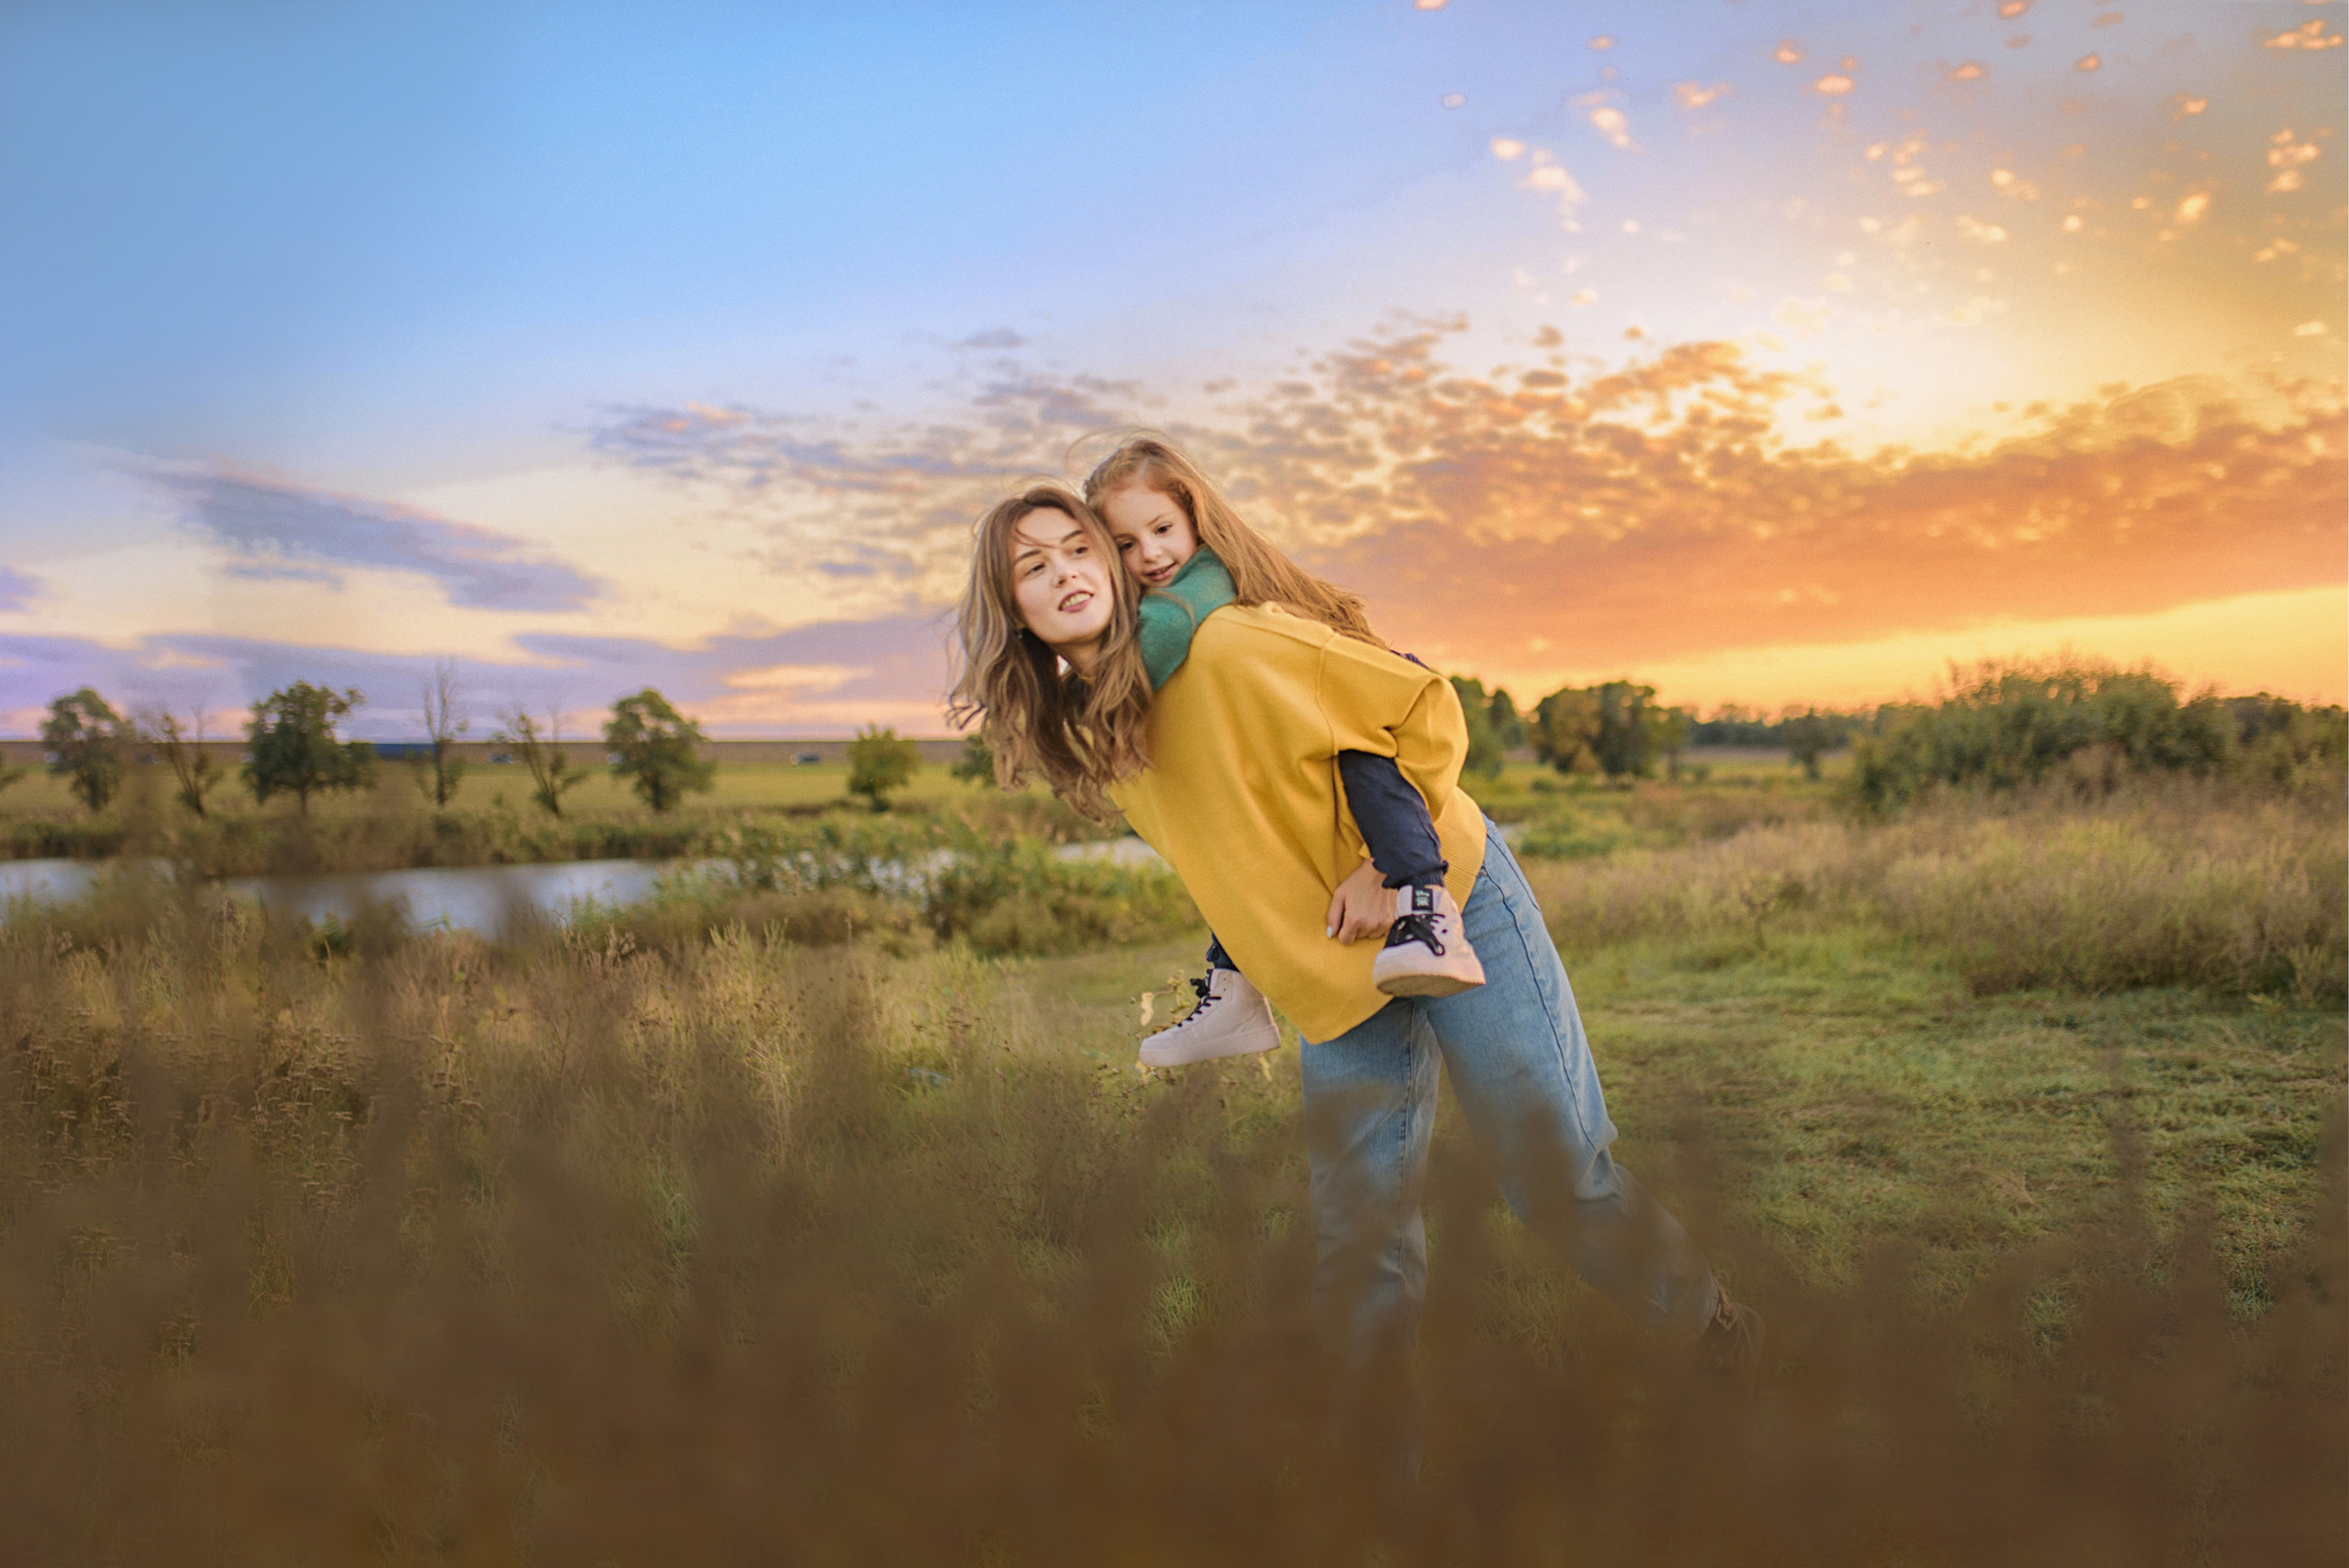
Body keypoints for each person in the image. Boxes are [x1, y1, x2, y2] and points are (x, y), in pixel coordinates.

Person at [946, 473, 1765, 1423]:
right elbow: (1227, 857)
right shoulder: (1104, 728)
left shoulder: (1231, 644)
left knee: (1551, 1178)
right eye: (1033, 567)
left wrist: (1388, 866)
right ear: (1011, 606)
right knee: (1358, 1231)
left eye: (1078, 548)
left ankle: (1715, 1330)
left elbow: (1418, 703)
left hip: (1449, 896)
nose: (1064, 573)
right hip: (1332, 962)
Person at [1094, 437, 1484, 1070]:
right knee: (1239, 799)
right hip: (1311, 713)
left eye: (1162, 529)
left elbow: (1155, 642)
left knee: (1365, 768)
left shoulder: (1195, 591)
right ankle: (1233, 983)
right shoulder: (1179, 595)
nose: (1151, 554)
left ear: (1195, 518)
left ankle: (1425, 902)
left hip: (1357, 706)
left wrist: (1082, 687)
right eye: (1126, 545)